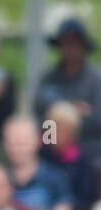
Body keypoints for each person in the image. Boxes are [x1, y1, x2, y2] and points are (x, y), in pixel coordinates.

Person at [34, 18, 101, 168]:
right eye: (65, 43)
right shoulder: (48, 78)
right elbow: (42, 114)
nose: (70, 48)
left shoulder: (97, 80)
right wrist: (73, 109)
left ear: (83, 46)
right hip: (52, 154)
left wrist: (60, 114)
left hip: (89, 154)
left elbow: (97, 120)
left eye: (74, 43)